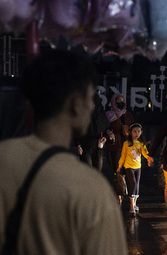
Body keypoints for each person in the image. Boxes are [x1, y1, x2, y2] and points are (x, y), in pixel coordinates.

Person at [0, 49, 127, 254]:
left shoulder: (3, 159)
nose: (91, 106)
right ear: (76, 104)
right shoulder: (93, 190)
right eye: (90, 99)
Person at [105, 93, 134, 204]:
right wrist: (108, 133)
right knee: (116, 169)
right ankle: (118, 191)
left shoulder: (128, 115)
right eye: (118, 101)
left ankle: (120, 191)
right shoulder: (109, 115)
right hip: (114, 146)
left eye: (122, 100)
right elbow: (105, 128)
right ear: (113, 102)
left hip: (127, 145)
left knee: (125, 169)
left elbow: (135, 127)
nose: (121, 103)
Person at [117, 123, 152, 215]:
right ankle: (132, 206)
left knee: (137, 184)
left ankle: (135, 204)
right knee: (133, 183)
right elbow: (123, 156)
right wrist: (119, 166)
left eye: (139, 131)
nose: (137, 133)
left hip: (138, 167)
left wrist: (149, 158)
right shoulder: (126, 143)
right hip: (129, 166)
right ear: (130, 132)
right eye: (135, 131)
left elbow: (145, 154)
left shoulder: (141, 144)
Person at [75, 93, 110, 171]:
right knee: (88, 171)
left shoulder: (101, 115)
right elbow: (77, 129)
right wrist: (77, 144)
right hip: (84, 145)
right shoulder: (82, 115)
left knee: (97, 172)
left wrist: (105, 137)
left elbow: (107, 129)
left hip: (98, 146)